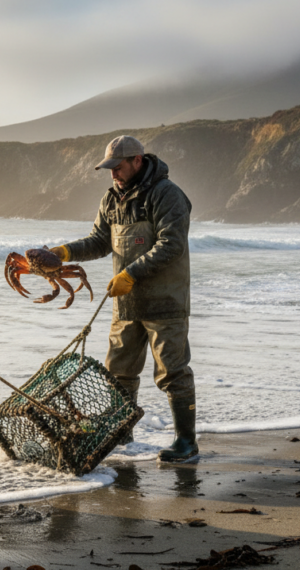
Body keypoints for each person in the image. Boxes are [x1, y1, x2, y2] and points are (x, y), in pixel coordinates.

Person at [49, 135, 197, 462]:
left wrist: (131, 273)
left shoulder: (167, 195)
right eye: (109, 168)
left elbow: (171, 244)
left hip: (165, 303)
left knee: (172, 372)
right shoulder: (111, 199)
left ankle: (186, 442)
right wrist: (64, 252)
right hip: (126, 305)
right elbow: (99, 242)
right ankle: (122, 436)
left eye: (118, 167)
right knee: (119, 373)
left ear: (137, 161)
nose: (113, 173)